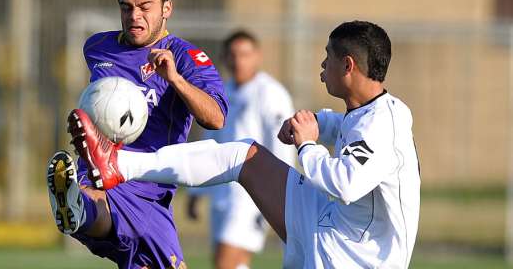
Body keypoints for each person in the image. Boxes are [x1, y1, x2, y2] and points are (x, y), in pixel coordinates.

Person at [66, 20, 421, 268]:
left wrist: (308, 146)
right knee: (245, 155)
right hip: (330, 226)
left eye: (328, 56)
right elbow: (346, 128)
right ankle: (120, 164)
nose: (322, 64)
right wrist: (315, 123)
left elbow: (346, 183)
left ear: (349, 65)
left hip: (354, 258)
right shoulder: (372, 112)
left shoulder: (382, 124)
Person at [46, 0, 228, 269]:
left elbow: (215, 118)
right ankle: (81, 205)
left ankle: (80, 208)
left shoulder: (185, 57)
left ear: (166, 8)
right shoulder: (98, 47)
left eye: (145, 6)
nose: (134, 15)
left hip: (150, 185)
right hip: (108, 177)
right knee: (105, 200)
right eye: (126, 7)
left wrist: (175, 79)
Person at [186, 30, 295, 269]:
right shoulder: (222, 92)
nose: (238, 60)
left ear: (257, 56)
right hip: (222, 191)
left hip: (253, 194)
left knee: (226, 261)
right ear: (224, 57)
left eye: (245, 54)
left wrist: (280, 194)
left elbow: (282, 145)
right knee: (232, 264)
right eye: (233, 54)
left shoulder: (270, 93)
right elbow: (209, 140)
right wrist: (195, 194)